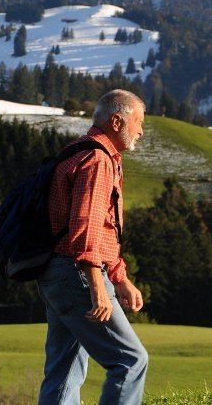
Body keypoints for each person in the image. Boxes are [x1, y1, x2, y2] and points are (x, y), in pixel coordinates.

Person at [37, 89, 148, 405]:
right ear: (117, 121)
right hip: (78, 275)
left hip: (55, 274)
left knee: (64, 372)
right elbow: (85, 227)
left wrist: (120, 277)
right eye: (138, 122)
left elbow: (102, 228)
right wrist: (97, 285)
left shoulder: (77, 151)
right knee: (130, 361)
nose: (141, 131)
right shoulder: (98, 159)